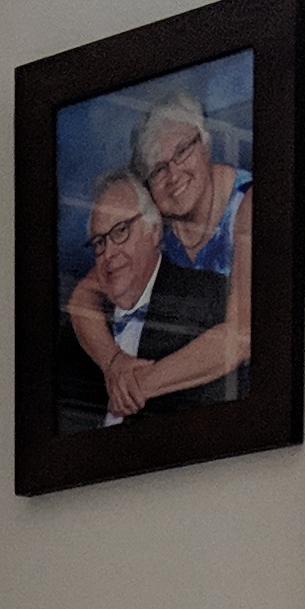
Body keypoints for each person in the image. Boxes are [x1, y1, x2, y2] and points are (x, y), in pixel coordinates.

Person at [65, 88, 252, 422]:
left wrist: (136, 385)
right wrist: (114, 363)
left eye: (182, 152)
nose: (173, 174)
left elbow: (241, 336)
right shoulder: (156, 220)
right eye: (158, 169)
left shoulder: (248, 206)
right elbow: (82, 298)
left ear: (205, 143)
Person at [56, 171, 234, 430]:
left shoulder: (208, 298)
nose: (109, 253)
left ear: (154, 231)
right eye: (99, 242)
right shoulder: (75, 337)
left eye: (121, 231)